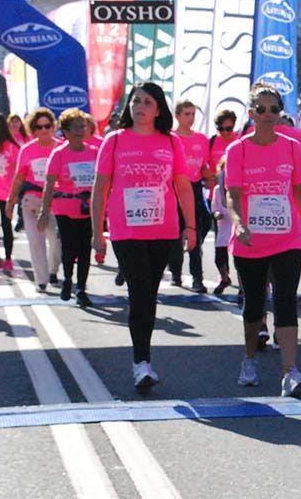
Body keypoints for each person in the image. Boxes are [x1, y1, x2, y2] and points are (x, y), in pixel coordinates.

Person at [91, 82, 197, 392]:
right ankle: (142, 363)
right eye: (135, 101)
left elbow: (182, 187)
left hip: (163, 231)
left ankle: (143, 358)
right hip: (127, 231)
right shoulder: (114, 141)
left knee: (149, 295)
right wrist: (98, 232)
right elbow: (101, 189)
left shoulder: (171, 142)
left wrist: (190, 227)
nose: (140, 106)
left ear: (158, 109)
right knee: (139, 293)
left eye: (147, 102)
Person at [226, 84, 301, 397]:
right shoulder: (237, 150)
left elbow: (297, 193)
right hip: (251, 242)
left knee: (285, 300)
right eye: (261, 109)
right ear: (251, 112)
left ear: (281, 114)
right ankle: (249, 359)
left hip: (287, 239)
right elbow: (233, 193)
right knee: (254, 304)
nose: (268, 115)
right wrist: (240, 223)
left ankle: (290, 372)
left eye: (274, 109)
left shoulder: (291, 147)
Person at [38, 108, 97, 306]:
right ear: (66, 131)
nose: (81, 130)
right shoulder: (59, 154)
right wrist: (43, 212)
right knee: (69, 247)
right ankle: (68, 279)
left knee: (85, 250)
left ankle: (81, 288)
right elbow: (48, 184)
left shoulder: (94, 153)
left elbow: (104, 182)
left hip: (88, 209)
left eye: (83, 126)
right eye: (76, 127)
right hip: (65, 209)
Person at [6, 108, 61, 291]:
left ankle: (53, 271)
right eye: (39, 127)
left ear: (53, 127)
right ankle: (41, 280)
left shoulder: (61, 147)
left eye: (47, 126)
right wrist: (10, 200)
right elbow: (19, 176)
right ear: (33, 129)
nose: (44, 130)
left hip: (56, 202)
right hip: (32, 200)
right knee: (36, 242)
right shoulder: (27, 150)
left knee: (56, 241)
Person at [169, 100, 212, 292]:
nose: (191, 118)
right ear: (177, 116)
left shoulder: (202, 139)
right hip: (174, 189)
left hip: (194, 188)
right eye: (186, 114)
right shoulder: (170, 138)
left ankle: (197, 278)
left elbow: (204, 166)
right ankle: (176, 272)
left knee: (197, 230)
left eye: (193, 114)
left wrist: (213, 179)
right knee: (176, 233)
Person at [0, 113, 19, 274]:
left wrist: (15, 193)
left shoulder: (12, 147)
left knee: (7, 227)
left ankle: (8, 258)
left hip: (7, 194)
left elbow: (18, 171)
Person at [209, 157, 233, 295]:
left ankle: (243, 289)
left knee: (239, 260)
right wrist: (217, 213)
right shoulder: (218, 189)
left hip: (237, 228)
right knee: (220, 258)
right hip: (224, 226)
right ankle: (224, 278)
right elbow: (214, 208)